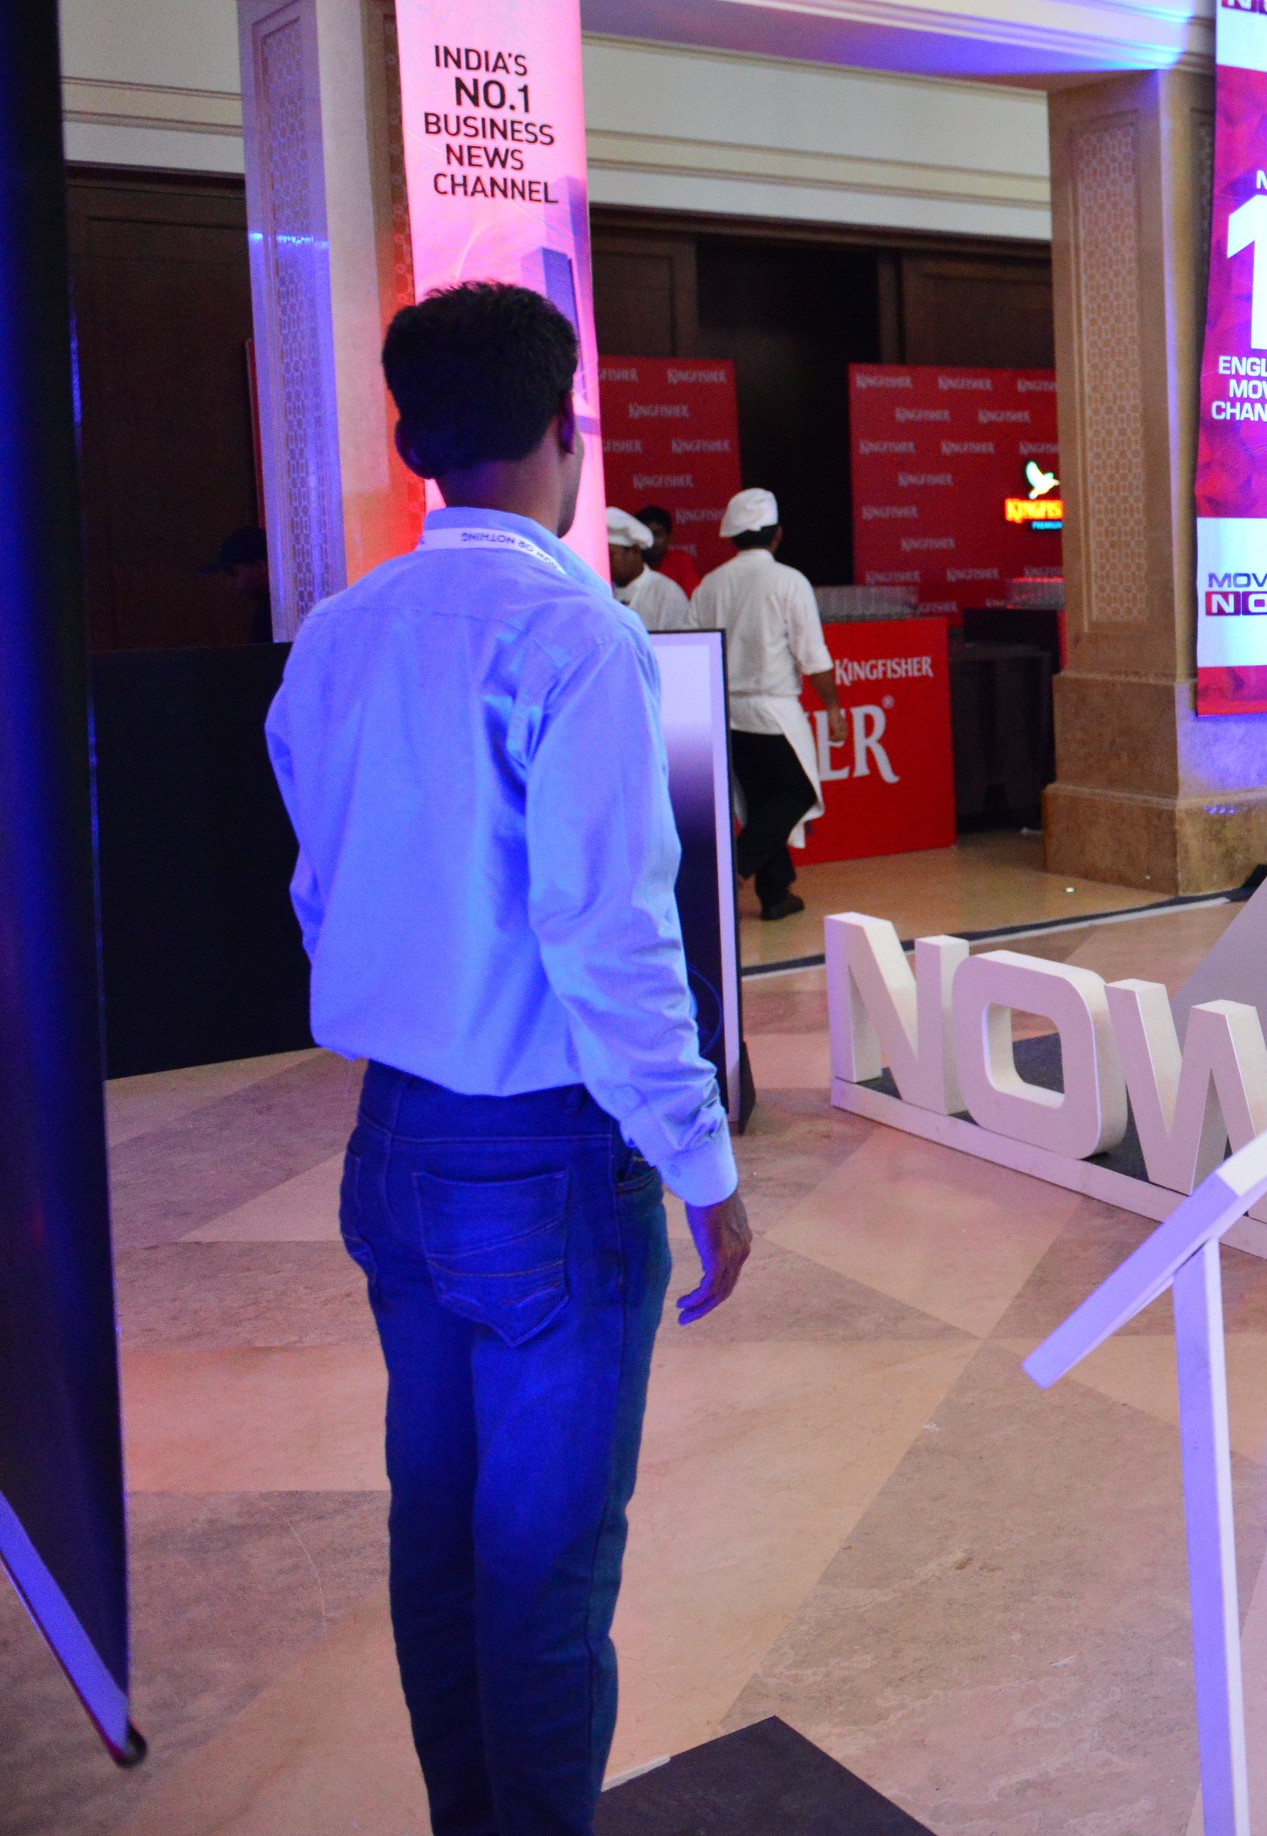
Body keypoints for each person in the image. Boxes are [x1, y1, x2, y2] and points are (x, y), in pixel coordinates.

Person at [262, 281, 749, 1836]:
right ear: (566, 431)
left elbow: (322, 887)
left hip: (394, 1148)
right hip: (542, 1162)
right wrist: (703, 1164)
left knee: (441, 1544)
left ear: (412, 442)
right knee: (542, 1576)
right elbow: (614, 936)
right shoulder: (577, 634)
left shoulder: (338, 635)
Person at [692, 489, 838, 919]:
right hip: (773, 711)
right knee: (797, 791)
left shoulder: (710, 584)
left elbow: (694, 646)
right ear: (777, 535)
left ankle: (776, 896)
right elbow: (812, 655)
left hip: (728, 712)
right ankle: (734, 867)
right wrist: (833, 707)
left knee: (760, 802)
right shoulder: (788, 581)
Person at [606, 508, 691, 631]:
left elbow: (681, 640)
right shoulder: (601, 591)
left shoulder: (665, 593)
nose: (606, 562)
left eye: (610, 555)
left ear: (634, 551)